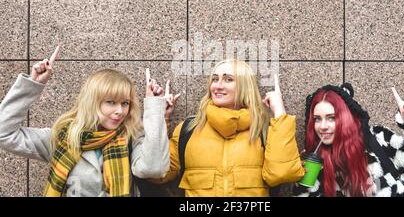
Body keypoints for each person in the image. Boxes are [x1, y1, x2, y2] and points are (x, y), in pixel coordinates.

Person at [0, 46, 170, 196]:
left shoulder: (131, 137)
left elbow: (154, 169)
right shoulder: (63, 138)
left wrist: (154, 107)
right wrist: (32, 85)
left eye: (125, 103)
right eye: (111, 102)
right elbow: (4, 134)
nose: (120, 111)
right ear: (92, 102)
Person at [148, 59, 305, 197]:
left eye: (228, 79)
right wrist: (159, 117)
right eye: (215, 79)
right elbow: (157, 174)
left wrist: (279, 112)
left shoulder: (265, 129)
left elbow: (282, 174)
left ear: (245, 86)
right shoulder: (188, 129)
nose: (218, 85)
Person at [292, 83, 404, 197]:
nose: (323, 126)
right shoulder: (319, 164)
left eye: (332, 118)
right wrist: (304, 177)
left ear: (346, 118)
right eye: (317, 119)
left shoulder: (379, 141)